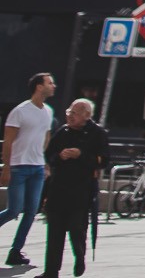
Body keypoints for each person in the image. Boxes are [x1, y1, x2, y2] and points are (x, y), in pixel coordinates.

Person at [39, 97, 107, 278]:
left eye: (75, 113)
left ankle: (80, 257)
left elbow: (103, 161)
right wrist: (59, 156)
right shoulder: (63, 131)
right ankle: (51, 271)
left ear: (86, 116)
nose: (70, 116)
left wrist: (81, 155)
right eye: (69, 112)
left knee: (77, 230)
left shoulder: (97, 133)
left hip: (81, 191)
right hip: (58, 188)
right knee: (55, 231)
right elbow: (49, 155)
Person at [1, 72, 55, 267]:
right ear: (39, 86)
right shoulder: (20, 111)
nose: (53, 86)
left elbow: (46, 137)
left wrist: (44, 161)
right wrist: (6, 167)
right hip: (19, 166)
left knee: (32, 211)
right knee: (14, 210)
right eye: (50, 83)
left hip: (37, 168)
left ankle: (16, 251)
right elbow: (8, 141)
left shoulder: (48, 111)